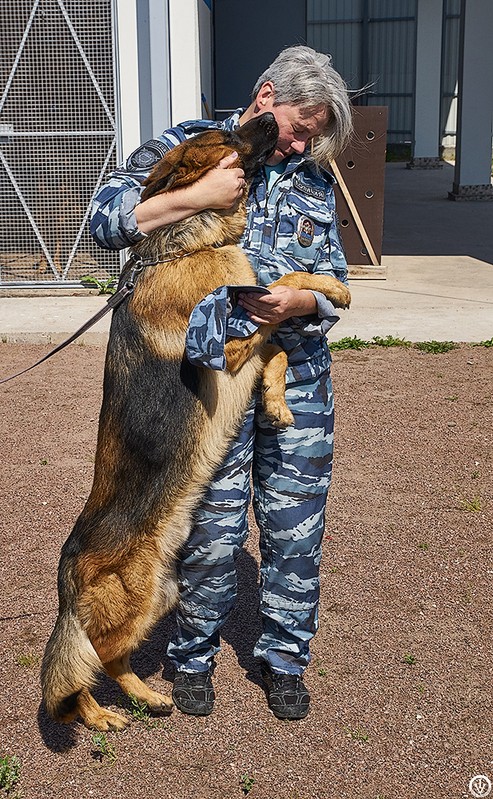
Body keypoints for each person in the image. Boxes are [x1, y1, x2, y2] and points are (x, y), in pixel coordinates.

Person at [90, 45, 353, 721]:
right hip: (212, 379)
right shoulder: (188, 147)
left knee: (296, 531)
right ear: (265, 97)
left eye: (316, 133)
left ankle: (285, 658)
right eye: (301, 125)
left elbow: (336, 282)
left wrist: (302, 303)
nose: (303, 141)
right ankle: (192, 658)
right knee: (211, 528)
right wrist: (194, 196)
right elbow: (104, 221)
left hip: (297, 377)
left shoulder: (314, 180)